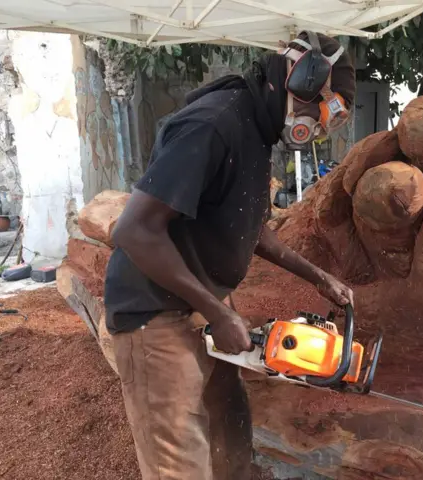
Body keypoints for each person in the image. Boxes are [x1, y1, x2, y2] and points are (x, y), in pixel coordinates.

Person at [103, 31, 356, 480]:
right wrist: (217, 313)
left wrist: (318, 276)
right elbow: (134, 231)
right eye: (314, 111)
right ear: (296, 79)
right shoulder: (212, 125)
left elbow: (252, 230)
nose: (312, 127)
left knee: (230, 431)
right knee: (181, 461)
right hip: (154, 315)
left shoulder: (258, 129)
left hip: (202, 303)